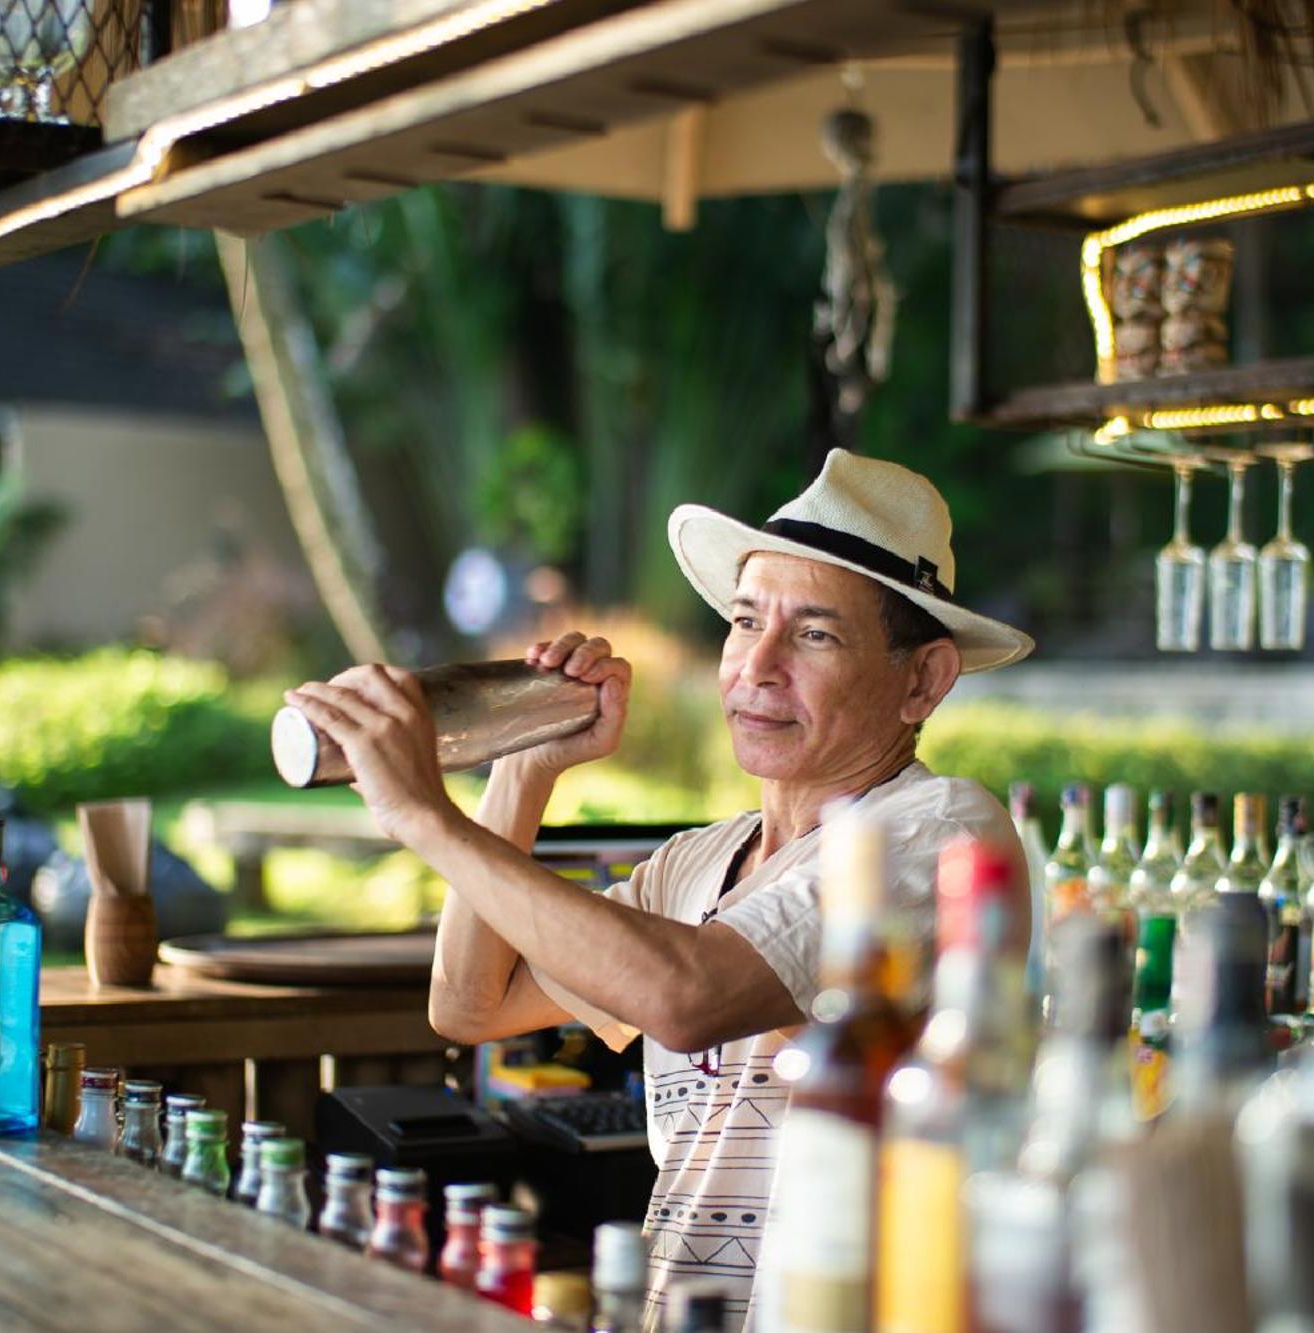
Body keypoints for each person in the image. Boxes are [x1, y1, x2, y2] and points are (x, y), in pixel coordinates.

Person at [286, 449, 1033, 1329]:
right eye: (744, 620)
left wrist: (423, 816)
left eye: (815, 634)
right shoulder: (695, 863)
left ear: (924, 680)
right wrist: (521, 773)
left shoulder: (937, 834)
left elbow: (688, 996)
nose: (757, 666)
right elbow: (470, 1003)